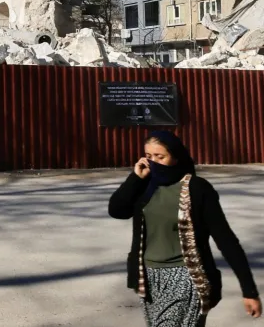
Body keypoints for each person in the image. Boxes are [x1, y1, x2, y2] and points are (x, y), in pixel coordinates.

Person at [108, 131, 261, 327]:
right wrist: (135, 179)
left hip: (186, 277)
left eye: (160, 156)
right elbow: (117, 211)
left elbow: (226, 240)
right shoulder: (145, 185)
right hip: (149, 277)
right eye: (148, 156)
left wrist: (249, 290)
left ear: (176, 157)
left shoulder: (197, 189)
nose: (152, 162)